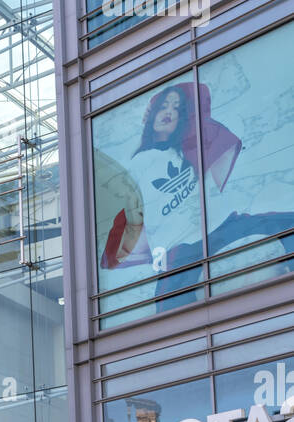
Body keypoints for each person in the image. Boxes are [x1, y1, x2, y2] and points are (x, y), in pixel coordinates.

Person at [101, 82, 294, 310]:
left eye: (177, 108)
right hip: (180, 251)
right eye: (163, 107)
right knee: (169, 312)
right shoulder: (136, 166)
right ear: (151, 115)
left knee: (286, 227)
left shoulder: (192, 149)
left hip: (222, 227)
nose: (169, 112)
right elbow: (129, 215)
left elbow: (206, 102)